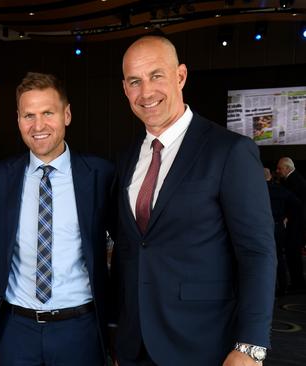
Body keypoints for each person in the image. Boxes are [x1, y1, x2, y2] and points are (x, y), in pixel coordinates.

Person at [113, 35, 276, 365]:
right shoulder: (127, 158)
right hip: (135, 345)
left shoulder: (229, 151)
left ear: (181, 76)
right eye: (135, 81)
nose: (146, 92)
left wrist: (250, 346)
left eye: (156, 76)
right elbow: (131, 249)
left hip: (205, 344)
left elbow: (257, 252)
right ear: (125, 88)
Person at [0, 72, 114, 365]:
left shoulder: (100, 174)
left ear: (66, 114)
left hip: (79, 329)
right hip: (16, 330)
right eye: (28, 115)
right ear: (18, 119)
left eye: (48, 113)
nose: (38, 125)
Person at [264, 167, 299, 295]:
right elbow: (296, 204)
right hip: (278, 226)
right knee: (279, 256)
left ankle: (268, 287)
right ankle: (283, 286)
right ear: (270, 177)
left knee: (263, 257)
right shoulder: (280, 190)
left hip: (262, 228)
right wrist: (286, 216)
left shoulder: (257, 191)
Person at [275, 157, 306, 290]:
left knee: (293, 254)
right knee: (293, 254)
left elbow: (297, 204)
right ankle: (297, 282)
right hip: (297, 223)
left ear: (287, 168)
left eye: (280, 168)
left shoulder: (293, 181)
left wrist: (287, 217)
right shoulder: (295, 180)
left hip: (296, 224)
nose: (278, 171)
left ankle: (298, 284)